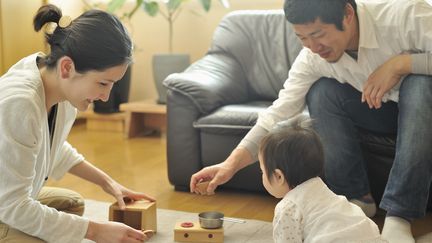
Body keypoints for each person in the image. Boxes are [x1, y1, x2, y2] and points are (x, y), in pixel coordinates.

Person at [190, 0, 432, 242]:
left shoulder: (406, 14)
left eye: (318, 34)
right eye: (302, 38)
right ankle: (357, 198)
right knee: (321, 91)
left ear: (347, 14)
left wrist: (401, 64)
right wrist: (229, 165)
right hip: (378, 110)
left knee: (420, 84)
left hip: (424, 109)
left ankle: (399, 216)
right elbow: (279, 113)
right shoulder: (312, 57)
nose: (314, 47)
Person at [0, 4, 155, 243]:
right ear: (67, 67)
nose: (106, 96)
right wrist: (95, 231)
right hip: (6, 205)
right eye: (103, 84)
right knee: (64, 229)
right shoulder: (20, 102)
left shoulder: (57, 85)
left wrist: (109, 183)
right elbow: (11, 205)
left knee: (72, 205)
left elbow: (51, 147)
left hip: (8, 197)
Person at [259, 114, 382, 243]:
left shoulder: (287, 208)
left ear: (279, 177)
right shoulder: (321, 189)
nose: (262, 175)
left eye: (262, 171)